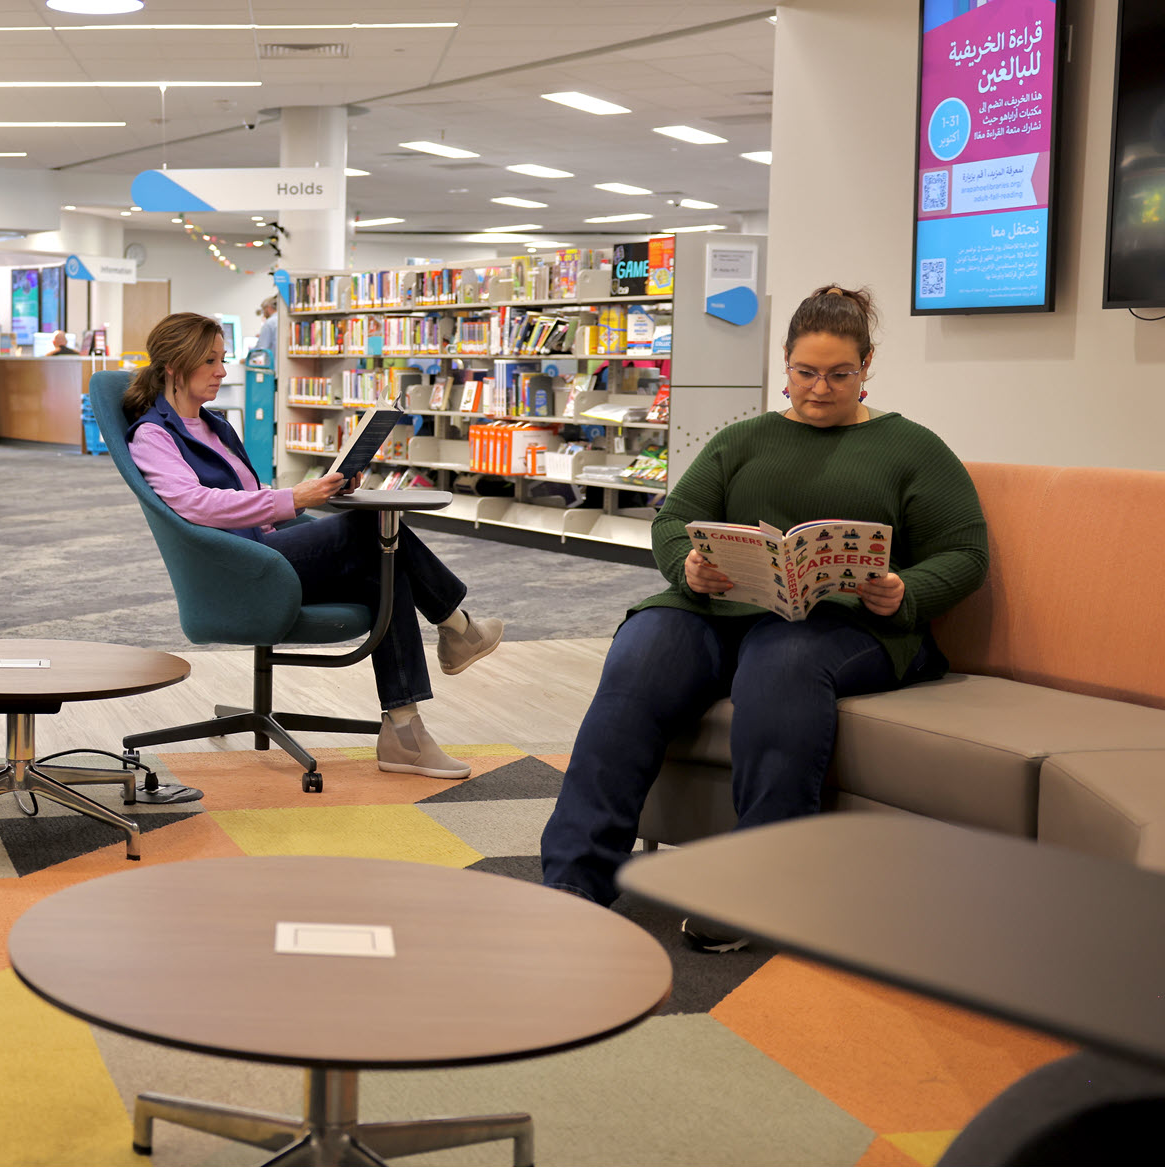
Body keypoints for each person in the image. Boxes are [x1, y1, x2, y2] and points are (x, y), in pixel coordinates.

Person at [538, 285, 989, 949]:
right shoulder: (745, 438)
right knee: (639, 661)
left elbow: (966, 553)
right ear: (784, 364)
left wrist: (906, 588)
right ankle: (577, 880)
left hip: (844, 626)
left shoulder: (912, 449)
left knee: (783, 666)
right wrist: (686, 567)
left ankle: (752, 891)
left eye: (840, 374)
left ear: (868, 366)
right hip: (717, 610)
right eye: (805, 373)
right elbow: (672, 520)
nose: (820, 389)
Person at [124, 312, 505, 778]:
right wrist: (292, 497)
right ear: (173, 367)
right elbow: (195, 505)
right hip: (233, 570)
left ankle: (405, 732)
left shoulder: (216, 425)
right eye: (209, 361)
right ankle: (457, 626)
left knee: (382, 566)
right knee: (368, 530)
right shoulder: (153, 435)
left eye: (222, 359)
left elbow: (247, 500)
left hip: (267, 553)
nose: (223, 371)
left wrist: (329, 487)